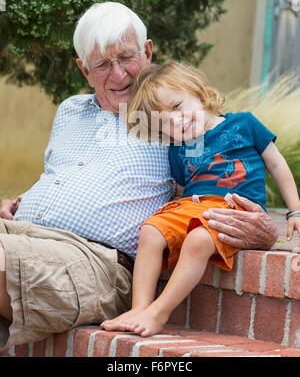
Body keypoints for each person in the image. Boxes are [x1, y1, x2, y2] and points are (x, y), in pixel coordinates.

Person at [0, 3, 278, 351]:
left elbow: (226, 178)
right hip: (19, 235)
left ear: (147, 52)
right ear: (84, 70)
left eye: (126, 58)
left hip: (91, 262)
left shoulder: (177, 122)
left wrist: (262, 230)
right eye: (102, 64)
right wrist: (20, 202)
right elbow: (61, 174)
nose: (118, 75)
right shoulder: (70, 110)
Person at [100, 61, 300, 337]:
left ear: (198, 92)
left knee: (197, 240)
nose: (176, 121)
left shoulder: (244, 124)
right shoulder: (179, 148)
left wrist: (296, 211)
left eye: (177, 107)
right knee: (151, 231)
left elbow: (277, 165)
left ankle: (159, 313)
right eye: (165, 121)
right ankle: (139, 307)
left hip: (233, 207)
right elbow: (182, 192)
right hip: (192, 204)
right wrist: (171, 228)